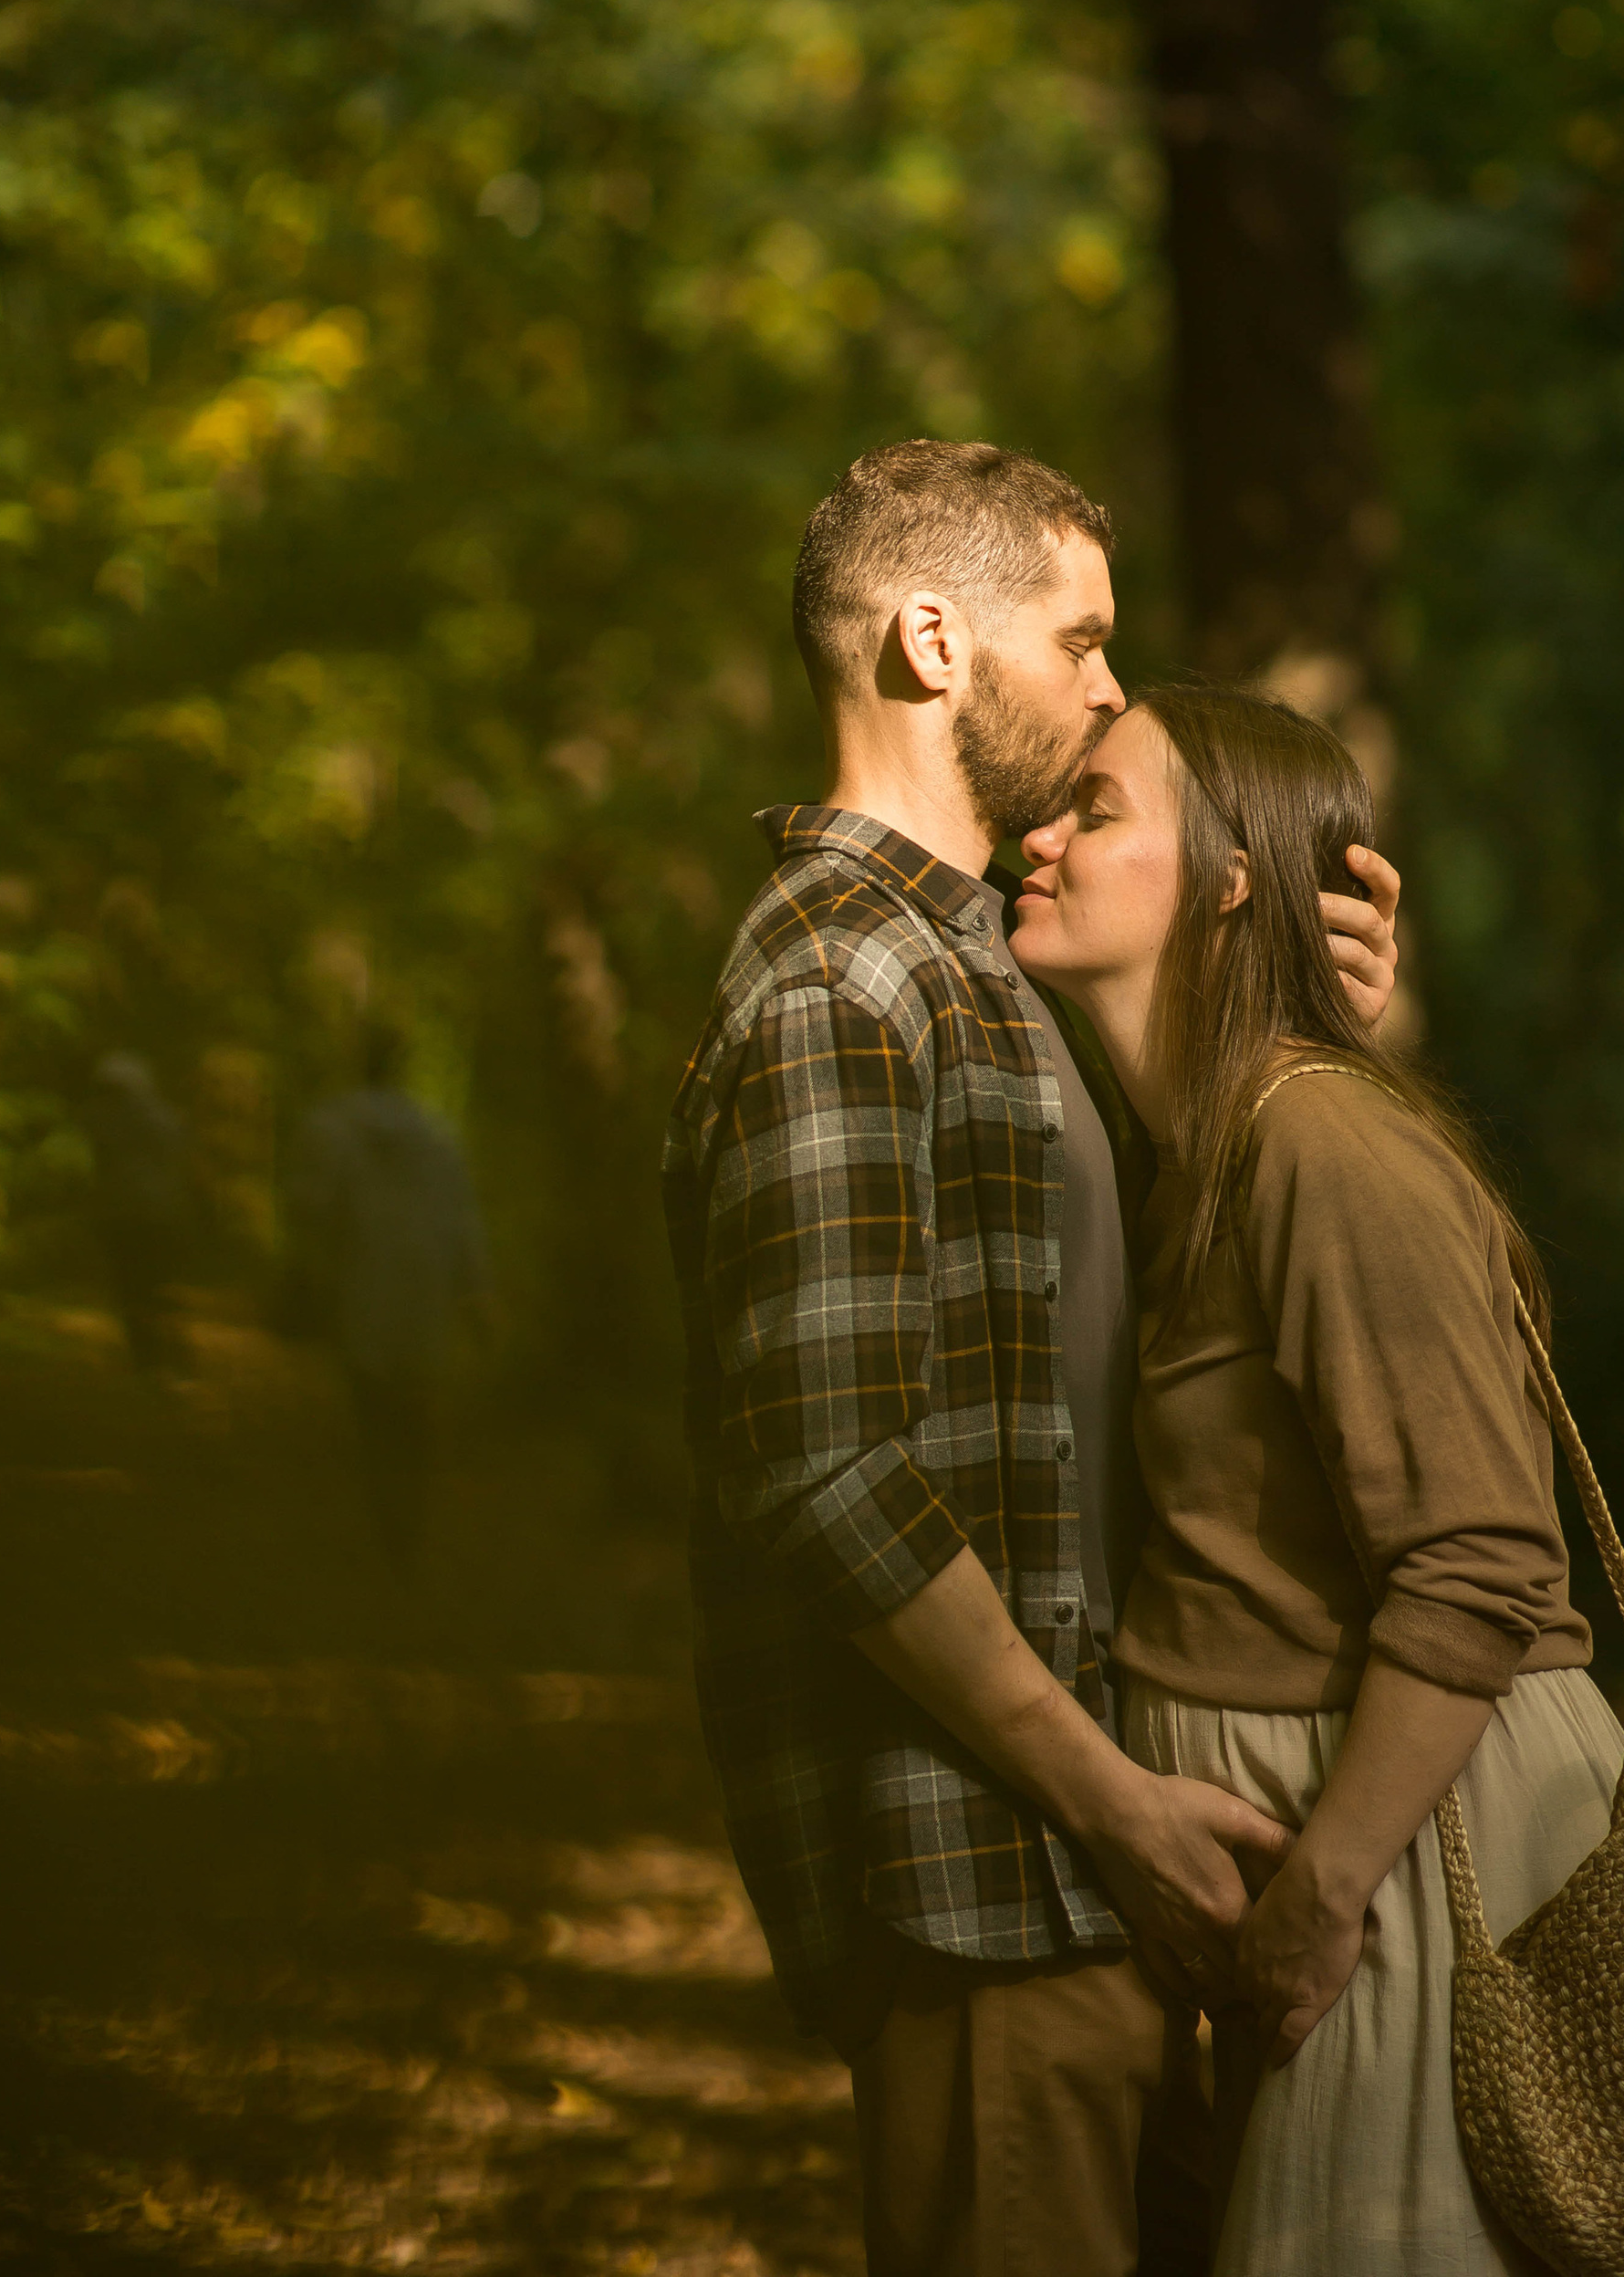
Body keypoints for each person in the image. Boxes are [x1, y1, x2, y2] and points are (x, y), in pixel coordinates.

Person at [663, 439, 1404, 2277]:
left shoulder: (989, 964)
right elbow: (826, 1478)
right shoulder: (840, 992)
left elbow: (1168, 1341)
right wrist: (1109, 1801)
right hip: (979, 1882)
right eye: (1076, 642)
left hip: (1095, 1880)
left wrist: (1318, 1026)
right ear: (930, 641)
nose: (1107, 692)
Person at [1010, 682, 1624, 2277]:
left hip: (1413, 1857)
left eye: (1097, 809)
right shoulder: (1200, 1159)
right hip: (1350, 1878)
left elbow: (1484, 1564)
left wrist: (1326, 1887)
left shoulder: (1317, 1150)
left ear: (1227, 882)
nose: (1038, 833)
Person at [283, 1028, 492, 1562]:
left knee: (372, 1402)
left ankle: (387, 1515)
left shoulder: (331, 1126)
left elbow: (311, 1210)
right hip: (425, 1289)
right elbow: (464, 1221)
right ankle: (409, 1523)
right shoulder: (436, 1135)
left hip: (362, 1283)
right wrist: (476, 1297)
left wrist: (312, 1277)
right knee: (417, 1402)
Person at [82, 1050, 196, 1374]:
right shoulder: (161, 1116)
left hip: (129, 1213)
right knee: (149, 1283)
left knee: (135, 1284)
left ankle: (151, 1351)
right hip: (154, 1212)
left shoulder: (102, 1118)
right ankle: (159, 1349)